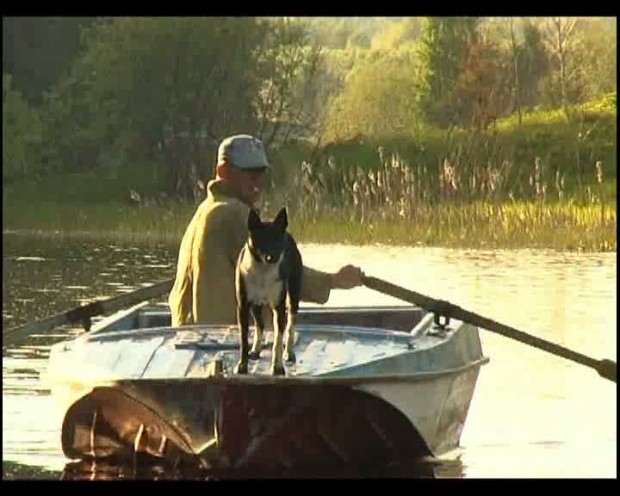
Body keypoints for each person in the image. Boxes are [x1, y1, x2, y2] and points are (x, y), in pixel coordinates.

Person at [169, 134, 364, 327]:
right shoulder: (232, 214)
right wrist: (333, 280)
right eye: (247, 173)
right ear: (223, 171)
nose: (257, 181)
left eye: (260, 172)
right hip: (223, 343)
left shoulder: (205, 210)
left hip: (189, 339)